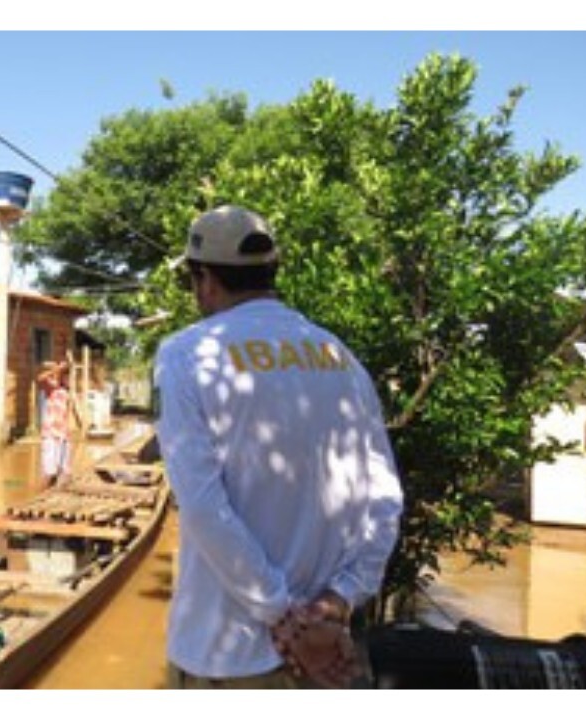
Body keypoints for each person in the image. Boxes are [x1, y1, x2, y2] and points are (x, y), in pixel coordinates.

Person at [153, 205, 404, 689]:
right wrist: (338, 601)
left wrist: (283, 617)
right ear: (272, 273)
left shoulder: (184, 354)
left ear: (203, 279)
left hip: (228, 662)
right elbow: (385, 500)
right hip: (328, 653)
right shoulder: (341, 357)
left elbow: (202, 507)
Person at [36, 360, 74, 488]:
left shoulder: (67, 390)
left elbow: (67, 412)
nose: (67, 377)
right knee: (49, 471)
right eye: (65, 375)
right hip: (50, 433)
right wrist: (57, 369)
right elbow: (40, 378)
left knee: (64, 471)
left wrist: (68, 430)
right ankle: (41, 496)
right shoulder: (51, 386)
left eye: (67, 375)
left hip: (63, 434)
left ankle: (58, 495)